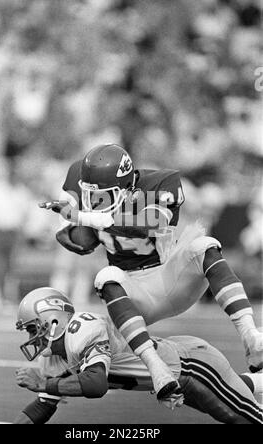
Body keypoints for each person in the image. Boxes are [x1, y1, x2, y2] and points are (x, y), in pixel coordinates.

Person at [41, 144, 263, 402]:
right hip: (130, 293)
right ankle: (156, 368)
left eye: (103, 195)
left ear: (126, 188)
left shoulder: (160, 183)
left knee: (204, 245)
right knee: (106, 280)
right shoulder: (80, 178)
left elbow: (150, 224)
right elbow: (78, 242)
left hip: (169, 279)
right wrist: (67, 223)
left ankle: (250, 336)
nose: (93, 201)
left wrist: (84, 217)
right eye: (90, 195)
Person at [14, 287, 263, 425]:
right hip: (176, 378)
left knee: (245, 418)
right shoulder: (52, 358)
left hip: (193, 367)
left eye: (33, 328)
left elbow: (95, 384)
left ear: (53, 319)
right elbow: (40, 409)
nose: (31, 337)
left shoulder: (82, 329)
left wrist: (43, 383)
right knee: (236, 392)